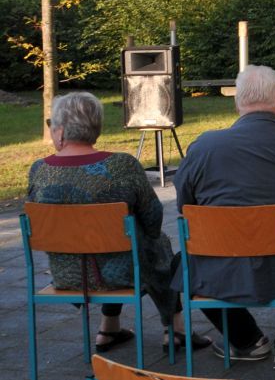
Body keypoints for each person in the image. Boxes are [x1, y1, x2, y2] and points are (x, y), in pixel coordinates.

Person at [173, 65, 275, 372]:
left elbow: (185, 208)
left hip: (219, 268)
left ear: (238, 102)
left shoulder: (204, 147)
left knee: (182, 264)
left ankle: (247, 340)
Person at [28, 92, 210, 354]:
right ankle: (175, 328)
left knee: (125, 243)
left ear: (60, 131)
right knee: (155, 242)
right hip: (122, 273)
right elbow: (153, 219)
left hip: (68, 275)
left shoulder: (39, 171)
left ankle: (109, 328)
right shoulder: (122, 166)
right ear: (96, 127)